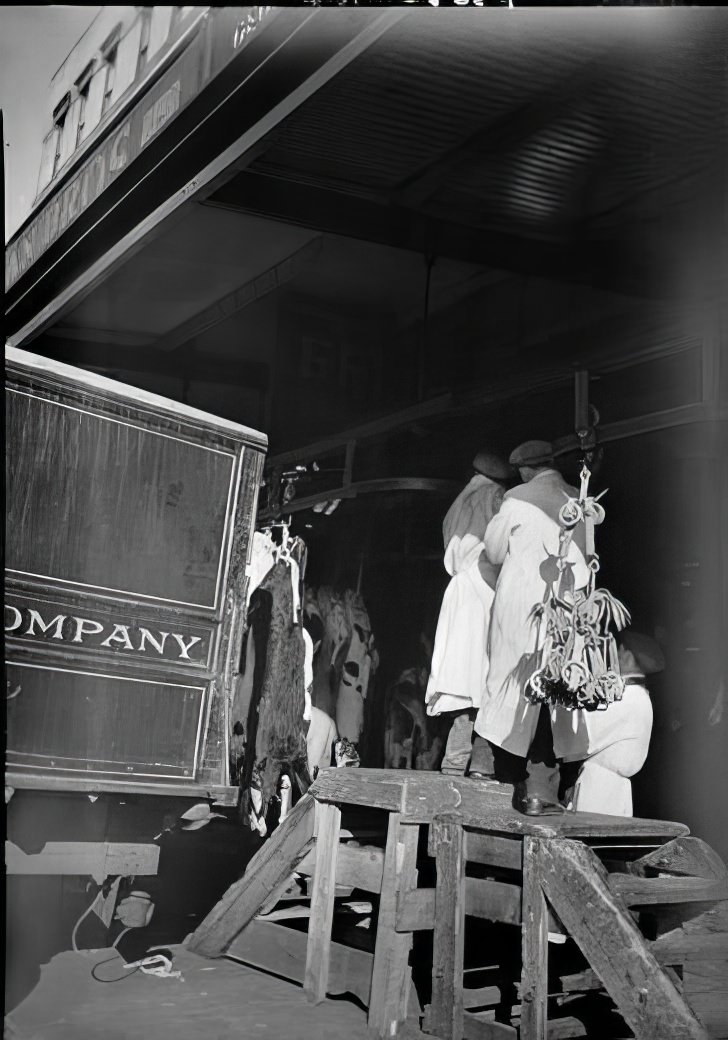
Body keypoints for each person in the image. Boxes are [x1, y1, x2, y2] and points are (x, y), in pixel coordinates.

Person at [470, 440, 590, 813]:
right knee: (554, 692)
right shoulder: (578, 498)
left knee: (508, 684)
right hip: (565, 610)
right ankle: (541, 788)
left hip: (521, 606)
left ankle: (487, 771)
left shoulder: (517, 498)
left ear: (524, 470)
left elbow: (492, 550)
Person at [425, 450, 513, 775]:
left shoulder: (460, 503)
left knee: (463, 683)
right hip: (482, 593)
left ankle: (457, 764)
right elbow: (499, 550)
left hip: (459, 596)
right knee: (482, 682)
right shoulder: (495, 498)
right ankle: (475, 764)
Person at [560, 632, 661, 816]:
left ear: (628, 657)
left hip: (602, 791)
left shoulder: (630, 697)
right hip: (603, 787)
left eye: (618, 653)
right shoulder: (635, 694)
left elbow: (584, 732)